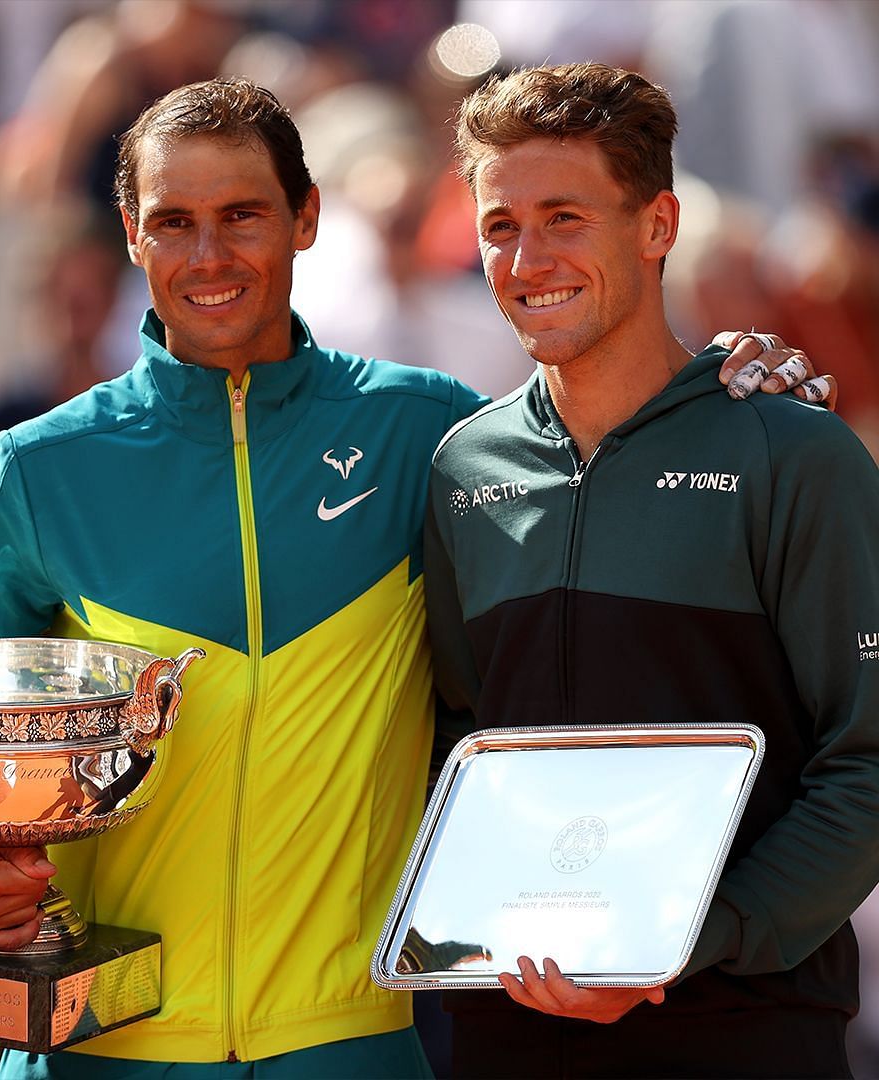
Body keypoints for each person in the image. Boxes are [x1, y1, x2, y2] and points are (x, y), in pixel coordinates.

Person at [0, 77, 831, 1079]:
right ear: (133, 237)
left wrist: (734, 390)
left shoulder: (426, 432)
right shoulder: (40, 467)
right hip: (101, 1046)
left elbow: (590, 430)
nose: (209, 255)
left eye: (243, 216)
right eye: (173, 222)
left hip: (357, 1047)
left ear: (307, 218)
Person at [426, 63, 879, 1078]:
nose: (527, 258)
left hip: (746, 1030)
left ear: (658, 225)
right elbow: (459, 742)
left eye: (565, 218)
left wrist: (699, 937)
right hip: (508, 1026)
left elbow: (869, 760)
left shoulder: (795, 455)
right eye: (500, 226)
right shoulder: (462, 469)